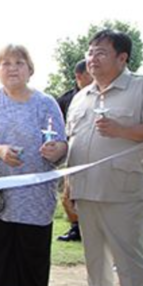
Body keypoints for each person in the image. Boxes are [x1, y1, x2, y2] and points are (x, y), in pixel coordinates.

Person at [66, 29, 143, 286]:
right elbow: (74, 141)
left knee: (128, 255)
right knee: (93, 253)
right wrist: (68, 182)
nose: (92, 58)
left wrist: (123, 129)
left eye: (101, 52)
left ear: (122, 58)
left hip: (122, 189)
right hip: (85, 189)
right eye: (90, 52)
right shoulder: (81, 96)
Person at [0, 45, 67, 286]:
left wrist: (56, 150)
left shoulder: (46, 103)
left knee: (35, 249)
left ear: (30, 69)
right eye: (5, 63)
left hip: (36, 193)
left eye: (19, 62)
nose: (13, 68)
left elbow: (62, 143)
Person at [57, 60, 93, 242]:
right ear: (80, 76)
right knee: (69, 196)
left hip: (95, 158)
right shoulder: (67, 99)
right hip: (72, 156)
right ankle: (75, 229)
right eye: (90, 73)